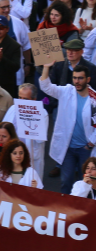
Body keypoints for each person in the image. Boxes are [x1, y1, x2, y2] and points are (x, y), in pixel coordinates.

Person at [40, 60, 96, 194]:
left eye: (80, 78)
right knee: (66, 180)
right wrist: (46, 67)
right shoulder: (66, 91)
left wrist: (90, 144)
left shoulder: (94, 98)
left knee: (87, 182)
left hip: (85, 149)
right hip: (68, 147)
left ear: (88, 79)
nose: (77, 81)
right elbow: (46, 87)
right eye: (75, 78)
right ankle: (64, 209)